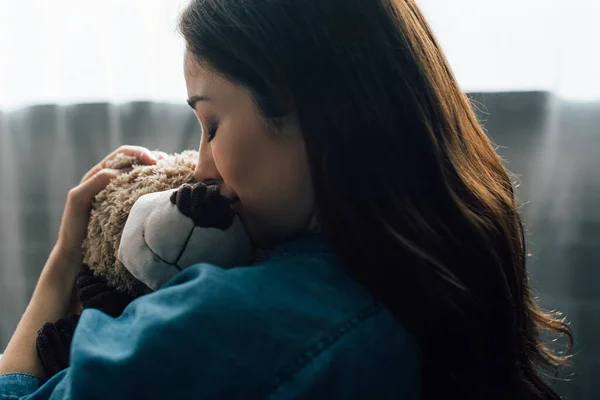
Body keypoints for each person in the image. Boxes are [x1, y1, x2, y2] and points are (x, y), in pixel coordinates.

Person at [0, 0, 572, 398]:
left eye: (211, 123)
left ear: (312, 117)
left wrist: (61, 266)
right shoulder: (437, 274)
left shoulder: (224, 323)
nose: (199, 170)